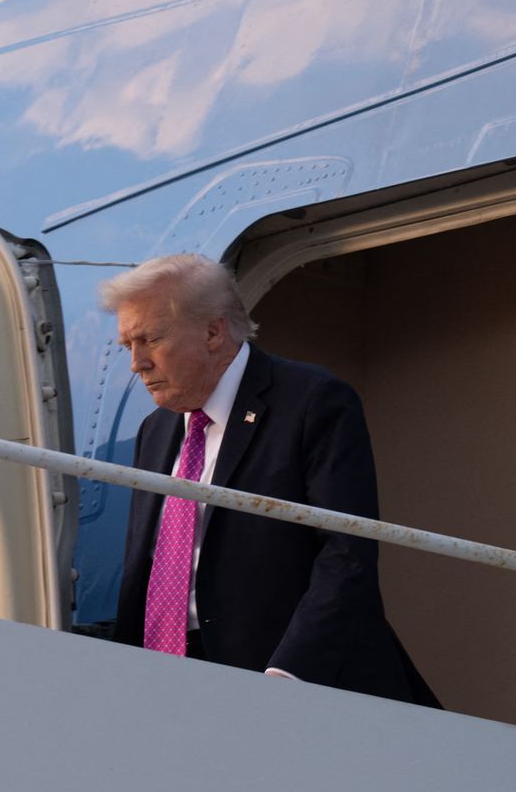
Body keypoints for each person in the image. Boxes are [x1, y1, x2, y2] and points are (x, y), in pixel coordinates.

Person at [100, 254, 438, 707]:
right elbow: (147, 565)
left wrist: (286, 676)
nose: (137, 363)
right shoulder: (156, 430)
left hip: (292, 680)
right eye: (128, 346)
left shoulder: (313, 401)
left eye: (151, 339)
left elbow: (346, 554)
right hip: (175, 679)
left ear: (213, 332)